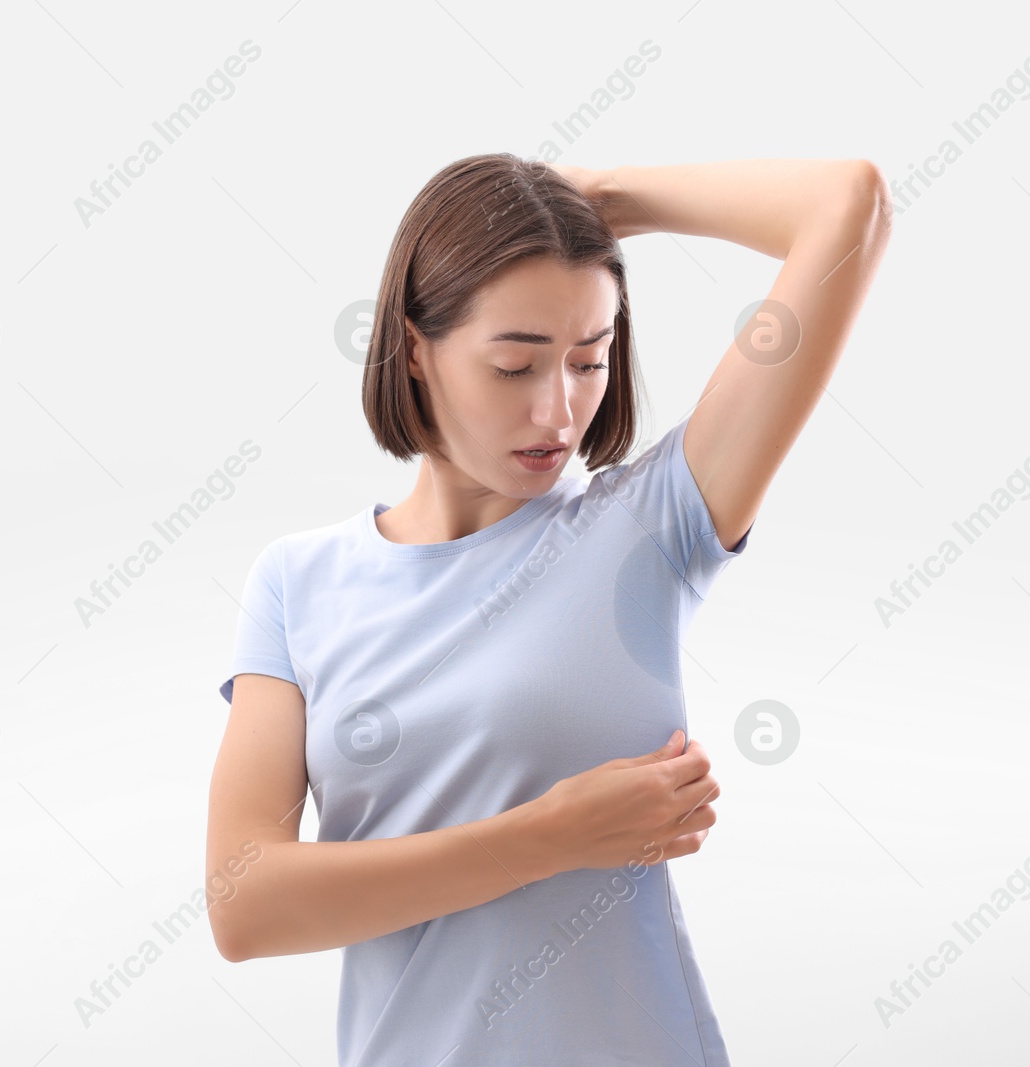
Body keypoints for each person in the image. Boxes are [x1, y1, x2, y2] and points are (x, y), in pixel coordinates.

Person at [206, 153, 892, 1066]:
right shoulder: (297, 580)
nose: (558, 410)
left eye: (590, 359)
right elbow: (243, 904)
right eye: (515, 363)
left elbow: (849, 207)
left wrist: (605, 202)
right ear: (414, 347)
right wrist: (552, 835)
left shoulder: (649, 527)